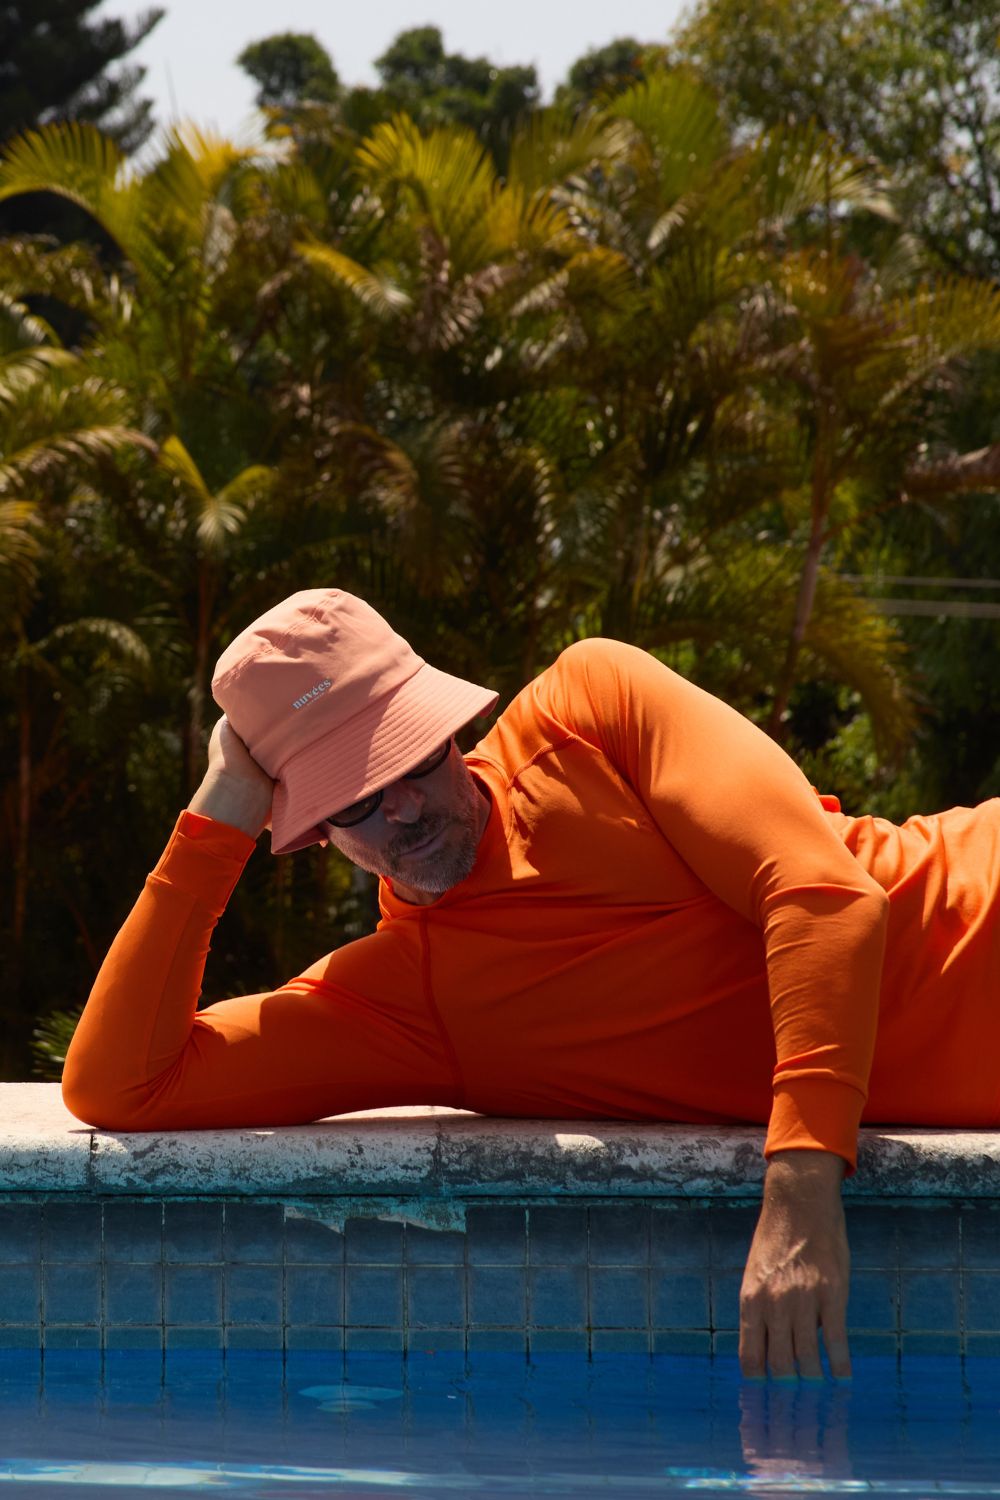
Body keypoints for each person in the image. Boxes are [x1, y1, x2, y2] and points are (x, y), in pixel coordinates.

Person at [62, 588, 1000, 1381]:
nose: (401, 807)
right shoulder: (407, 1002)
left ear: (446, 724)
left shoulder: (588, 710)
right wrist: (218, 812)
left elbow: (827, 896)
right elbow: (123, 1084)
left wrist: (800, 1195)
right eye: (351, 796)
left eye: (410, 755)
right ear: (311, 831)